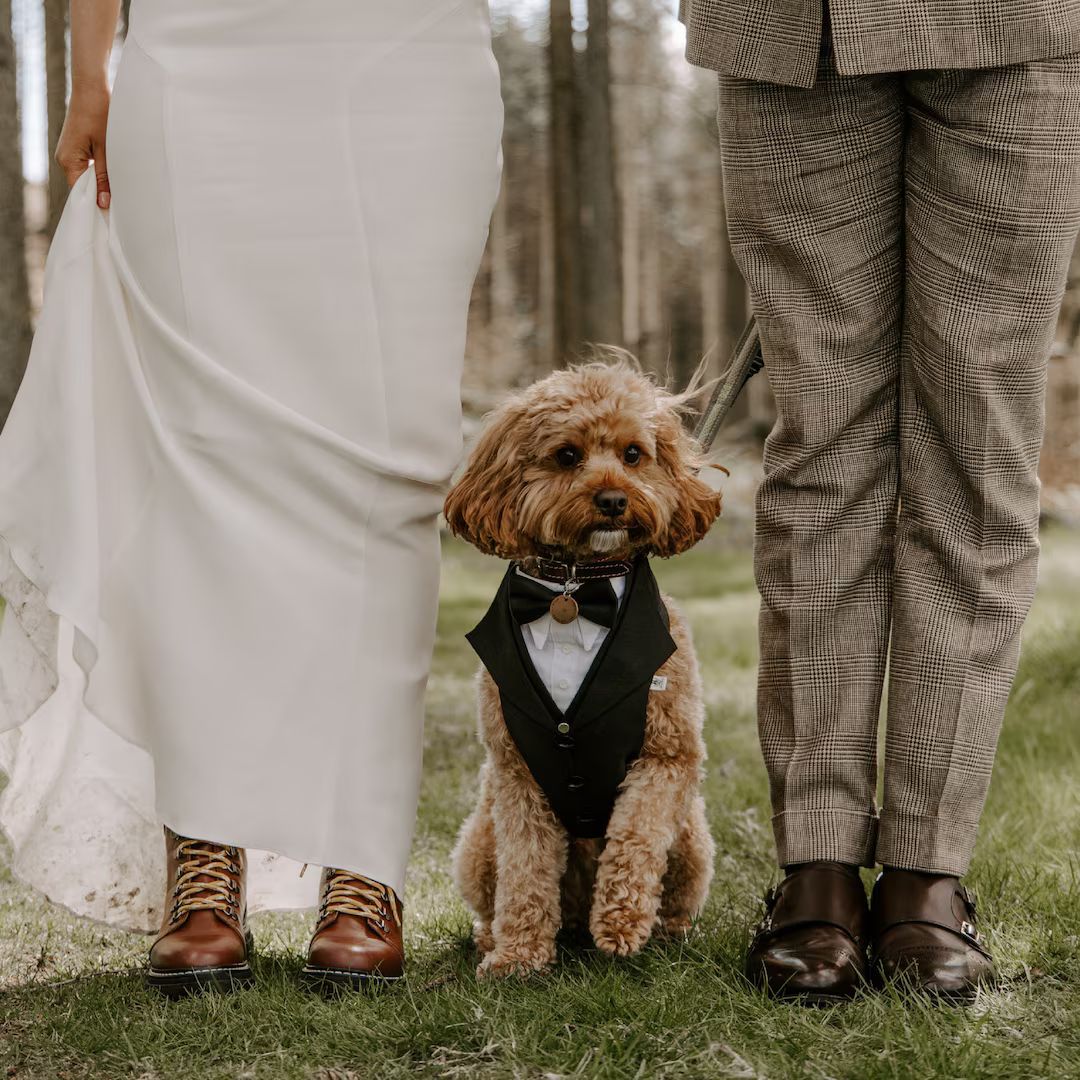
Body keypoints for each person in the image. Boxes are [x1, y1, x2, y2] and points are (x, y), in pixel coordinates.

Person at [0, 0, 503, 995]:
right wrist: (89, 70)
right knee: (201, 457)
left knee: (389, 468)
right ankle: (205, 854)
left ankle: (364, 863)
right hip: (199, 59)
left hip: (407, 56)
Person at [679, 0, 1080, 1001]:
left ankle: (927, 875)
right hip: (782, 26)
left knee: (978, 459)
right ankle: (814, 868)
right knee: (822, 449)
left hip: (1017, 28)